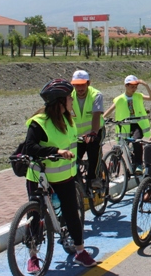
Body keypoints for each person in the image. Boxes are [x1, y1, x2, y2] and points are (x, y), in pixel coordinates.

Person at [24, 79, 97, 269]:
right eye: (68, 98)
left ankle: (80, 251)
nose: (72, 101)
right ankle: (33, 256)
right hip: (40, 177)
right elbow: (30, 147)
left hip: (65, 177)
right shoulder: (39, 123)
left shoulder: (68, 120)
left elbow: (71, 140)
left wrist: (85, 139)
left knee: (71, 213)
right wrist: (55, 151)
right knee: (36, 216)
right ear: (60, 102)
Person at [103, 75, 151, 174]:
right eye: (132, 87)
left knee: (136, 141)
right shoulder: (120, 99)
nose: (134, 89)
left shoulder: (138, 96)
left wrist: (146, 85)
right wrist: (102, 118)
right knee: (120, 146)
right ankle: (115, 167)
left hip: (137, 125)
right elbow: (111, 109)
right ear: (126, 86)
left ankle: (139, 164)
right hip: (124, 126)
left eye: (135, 87)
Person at [71, 70, 104, 189]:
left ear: (88, 83)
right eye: (77, 85)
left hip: (95, 130)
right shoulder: (69, 96)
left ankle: (94, 178)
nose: (79, 88)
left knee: (93, 149)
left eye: (82, 85)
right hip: (77, 134)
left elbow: (96, 115)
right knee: (73, 157)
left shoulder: (96, 95)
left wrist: (93, 133)